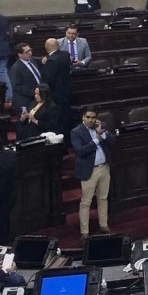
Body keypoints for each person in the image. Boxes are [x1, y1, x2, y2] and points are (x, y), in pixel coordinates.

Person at [71, 109, 112, 242]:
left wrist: (102, 134)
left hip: (104, 168)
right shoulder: (76, 132)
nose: (90, 120)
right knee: (86, 202)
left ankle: (104, 226)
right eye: (87, 117)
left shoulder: (100, 127)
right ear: (83, 117)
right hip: (89, 170)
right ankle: (85, 232)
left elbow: (113, 140)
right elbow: (81, 151)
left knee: (103, 198)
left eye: (93, 117)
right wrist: (97, 140)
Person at [42, 38, 74, 132]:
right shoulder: (65, 55)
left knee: (60, 120)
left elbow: (48, 80)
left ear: (46, 48)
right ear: (58, 46)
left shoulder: (51, 61)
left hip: (56, 96)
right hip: (67, 92)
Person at [9, 42, 43, 113]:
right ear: (19, 54)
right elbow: (17, 87)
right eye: (27, 52)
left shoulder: (32, 61)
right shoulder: (16, 68)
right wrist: (34, 92)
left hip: (37, 99)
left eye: (30, 50)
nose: (30, 53)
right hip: (25, 101)